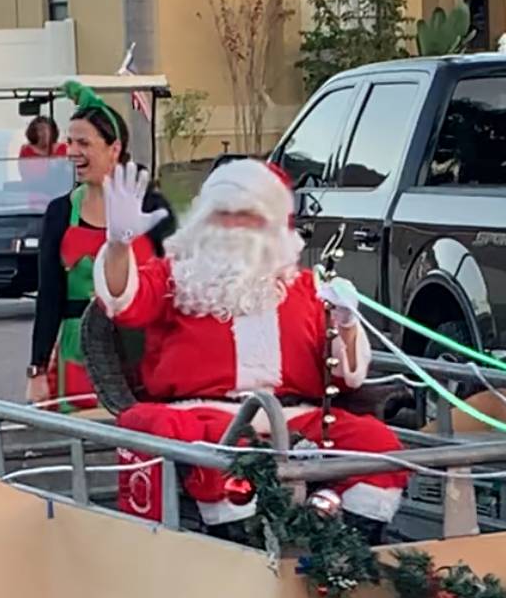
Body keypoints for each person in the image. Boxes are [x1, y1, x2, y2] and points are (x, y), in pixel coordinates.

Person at [92, 157, 406, 535]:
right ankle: (241, 543)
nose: (235, 226)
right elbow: (121, 301)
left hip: (297, 418)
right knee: (223, 449)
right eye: (224, 214)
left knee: (377, 443)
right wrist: (117, 245)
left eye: (249, 215)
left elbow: (346, 377)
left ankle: (345, 550)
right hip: (205, 415)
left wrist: (347, 325)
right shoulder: (176, 278)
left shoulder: (305, 287)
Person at [27, 80, 173, 412]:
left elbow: (177, 285)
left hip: (145, 354)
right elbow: (49, 295)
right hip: (78, 357)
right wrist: (36, 369)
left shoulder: (151, 207)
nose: (72, 152)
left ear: (114, 149)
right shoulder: (60, 212)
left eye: (83, 143)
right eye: (69, 142)